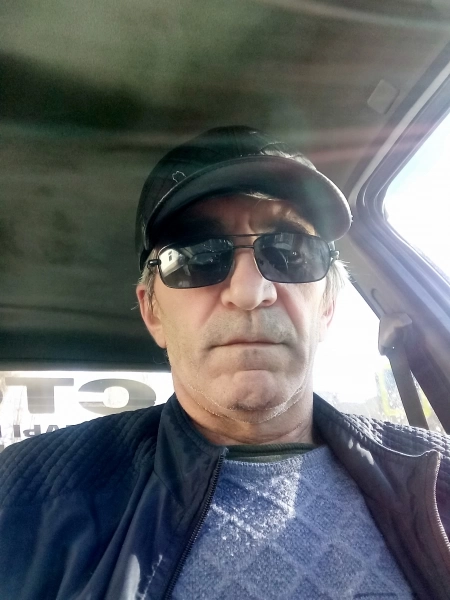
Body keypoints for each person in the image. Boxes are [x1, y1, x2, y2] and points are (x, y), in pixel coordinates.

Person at [0, 126, 449, 600]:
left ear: (327, 307)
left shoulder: (439, 476)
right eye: (196, 256)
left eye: (290, 251)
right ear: (152, 312)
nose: (250, 292)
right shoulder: (29, 495)